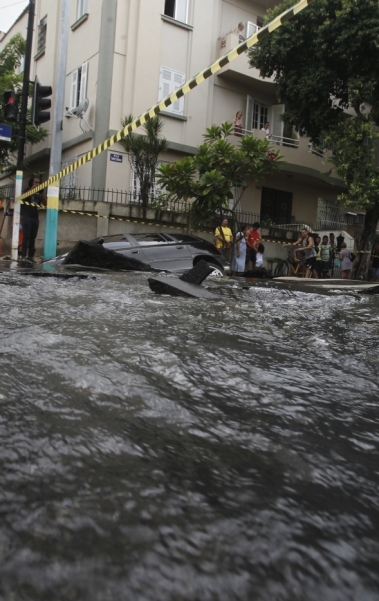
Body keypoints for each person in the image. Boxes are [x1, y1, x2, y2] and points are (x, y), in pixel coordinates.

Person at [20, 176, 46, 262]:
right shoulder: (27, 189)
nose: (37, 184)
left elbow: (45, 204)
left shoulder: (39, 192)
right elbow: (22, 197)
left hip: (35, 217)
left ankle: (30, 256)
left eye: (39, 183)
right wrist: (32, 189)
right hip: (27, 216)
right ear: (31, 182)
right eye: (35, 182)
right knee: (26, 237)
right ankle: (23, 255)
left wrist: (41, 192)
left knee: (32, 237)